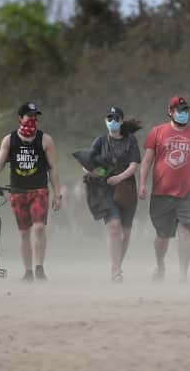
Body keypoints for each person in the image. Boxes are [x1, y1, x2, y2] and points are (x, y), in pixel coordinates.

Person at [0, 102, 63, 282]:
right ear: (20, 118)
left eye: (36, 116)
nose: (33, 120)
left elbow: (53, 168)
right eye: (30, 116)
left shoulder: (45, 140)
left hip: (39, 191)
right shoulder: (9, 140)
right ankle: (27, 271)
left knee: (39, 228)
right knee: (24, 232)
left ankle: (39, 267)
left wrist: (58, 194)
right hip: (18, 192)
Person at [138, 96, 190, 283]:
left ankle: (183, 274)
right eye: (179, 110)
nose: (183, 114)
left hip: (189, 193)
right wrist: (142, 183)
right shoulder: (157, 132)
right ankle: (160, 265)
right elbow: (147, 161)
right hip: (162, 193)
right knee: (163, 235)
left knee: (185, 231)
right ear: (170, 111)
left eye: (185, 110)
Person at [85, 106, 141, 282]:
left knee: (125, 235)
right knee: (114, 227)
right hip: (106, 191)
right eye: (109, 118)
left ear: (122, 121)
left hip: (127, 190)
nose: (112, 121)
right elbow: (87, 162)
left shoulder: (130, 140)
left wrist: (120, 177)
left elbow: (134, 165)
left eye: (116, 118)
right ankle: (115, 270)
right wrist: (95, 172)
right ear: (105, 120)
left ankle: (117, 265)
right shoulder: (100, 142)